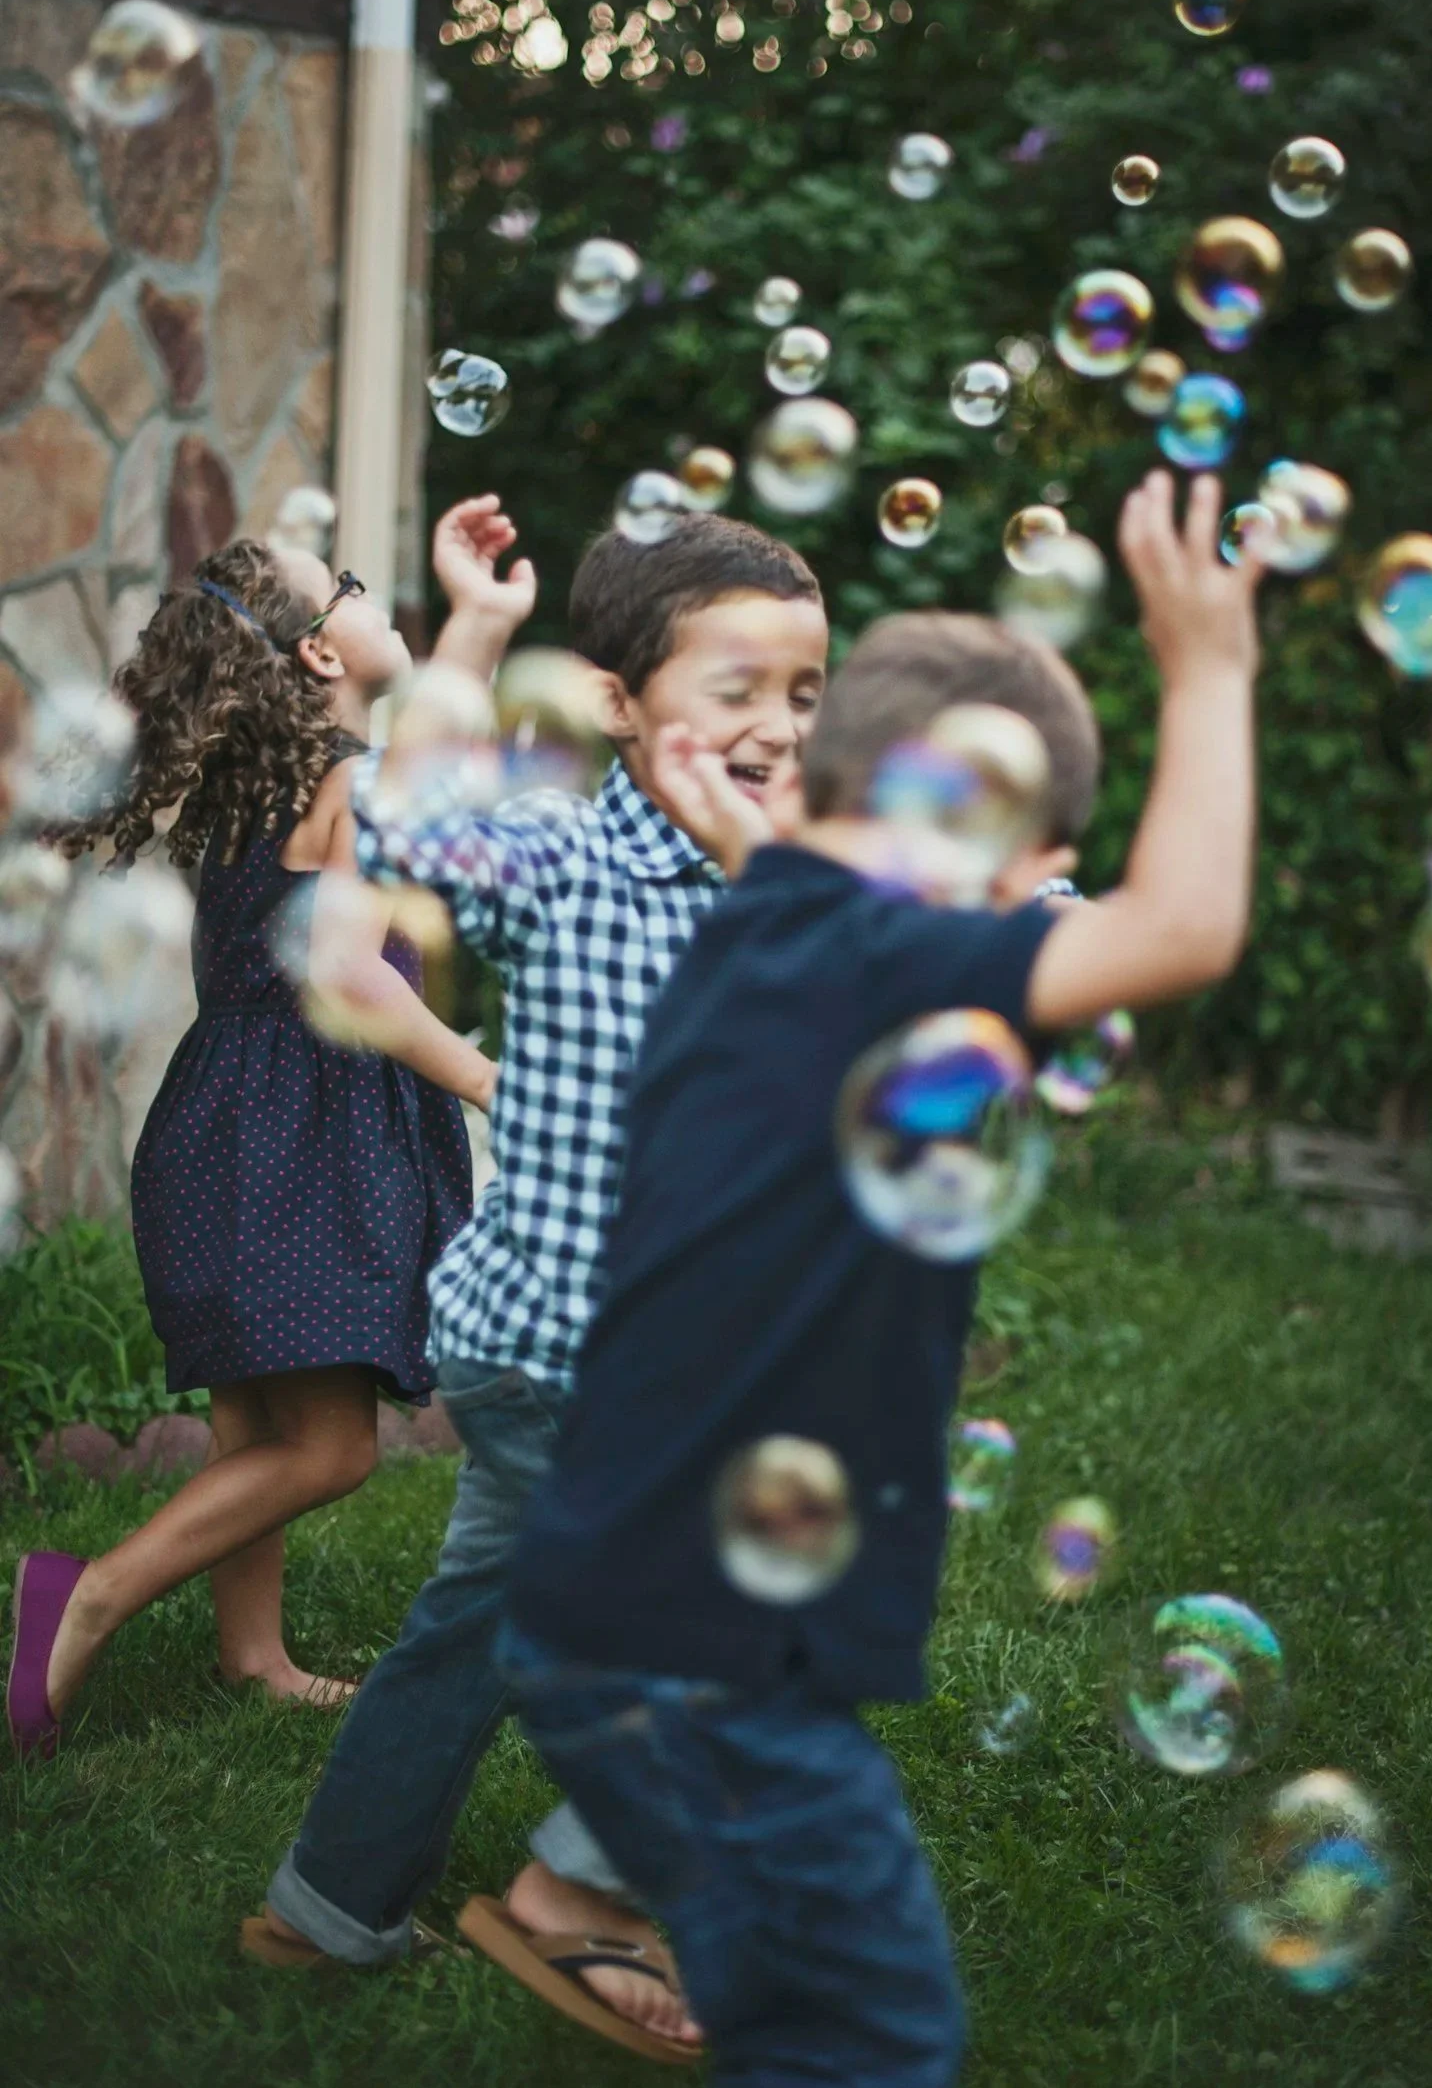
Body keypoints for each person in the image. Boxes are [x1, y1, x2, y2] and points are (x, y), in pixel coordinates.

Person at [494, 469, 1263, 2086]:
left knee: (786, 2018)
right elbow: (1185, 927)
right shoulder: (883, 953)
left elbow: (782, 849)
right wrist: (1208, 665)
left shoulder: (762, 922)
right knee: (877, 2033)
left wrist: (752, 817)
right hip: (711, 1664)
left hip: (601, 1614)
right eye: (1031, 868)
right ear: (989, 843)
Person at [250, 507, 829, 2060]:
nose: (776, 725)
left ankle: (323, 1905)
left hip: (628, 1356)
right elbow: (411, 824)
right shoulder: (565, 855)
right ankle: (581, 1893)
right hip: (568, 1355)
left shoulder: (797, 877)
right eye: (735, 686)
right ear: (623, 701)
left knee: (473, 1627)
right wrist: (475, 633)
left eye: (805, 692)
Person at [5, 507, 519, 1759]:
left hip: (221, 1126)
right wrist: (496, 1083)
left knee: (260, 1426)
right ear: (321, 659)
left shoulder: (260, 791)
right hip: (311, 1135)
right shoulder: (353, 782)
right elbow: (360, 983)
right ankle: (89, 1597)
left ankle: (252, 1654)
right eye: (343, 583)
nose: (367, 586)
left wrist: (482, 626)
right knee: (332, 1449)